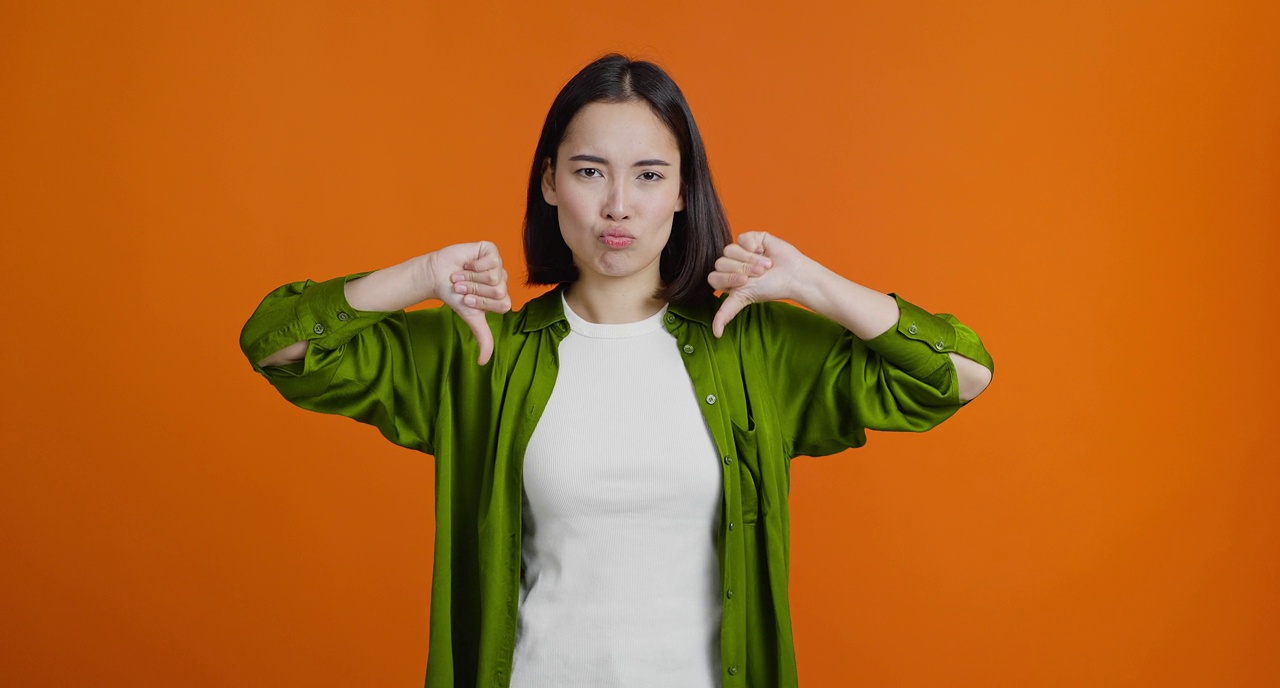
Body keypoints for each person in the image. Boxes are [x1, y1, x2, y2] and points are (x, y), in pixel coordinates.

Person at [240, 54, 994, 688]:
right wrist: (417, 277)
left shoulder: (752, 346)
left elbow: (959, 374)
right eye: (591, 171)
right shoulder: (484, 353)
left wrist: (816, 286)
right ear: (550, 183)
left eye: (649, 176)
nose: (618, 206)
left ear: (683, 192)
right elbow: (277, 344)